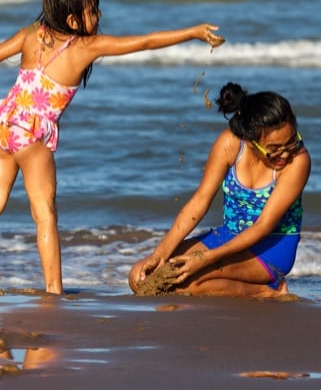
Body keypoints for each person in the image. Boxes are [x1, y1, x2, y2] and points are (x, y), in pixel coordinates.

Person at [0, 0, 223, 294]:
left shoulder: (32, 34)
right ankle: (54, 289)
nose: (99, 16)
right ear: (73, 19)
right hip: (31, 136)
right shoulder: (86, 47)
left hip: (2, 125)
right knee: (45, 213)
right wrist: (192, 33)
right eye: (93, 10)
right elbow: (145, 42)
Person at [129, 82, 310, 298]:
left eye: (292, 142)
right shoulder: (230, 144)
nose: (285, 154)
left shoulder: (298, 162)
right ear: (251, 141)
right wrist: (159, 254)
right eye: (274, 149)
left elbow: (263, 226)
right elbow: (200, 201)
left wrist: (206, 259)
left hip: (272, 246)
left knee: (189, 283)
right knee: (139, 277)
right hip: (229, 235)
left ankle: (267, 290)